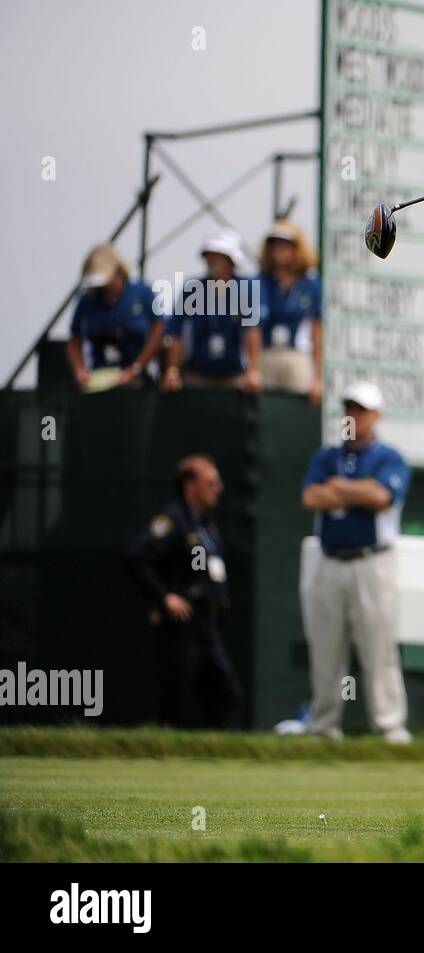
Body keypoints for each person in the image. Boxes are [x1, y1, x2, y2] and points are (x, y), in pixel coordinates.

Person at [299, 381, 412, 743]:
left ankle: (389, 726)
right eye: (349, 408)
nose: (353, 416)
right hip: (330, 561)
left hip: (373, 563)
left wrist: (341, 488)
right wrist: (356, 489)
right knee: (326, 650)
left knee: (378, 648)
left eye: (361, 410)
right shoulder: (325, 457)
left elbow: (381, 496)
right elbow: (311, 498)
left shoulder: (389, 458)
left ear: (376, 416)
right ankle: (323, 726)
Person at [126, 455, 243, 728]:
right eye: (211, 483)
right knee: (176, 697)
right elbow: (136, 557)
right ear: (190, 486)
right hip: (181, 626)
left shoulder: (205, 525)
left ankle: (225, 754)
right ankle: (163, 753)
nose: (219, 488)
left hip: (208, 625)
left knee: (227, 693)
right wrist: (164, 596)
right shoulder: (172, 521)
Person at [161, 229, 263, 393]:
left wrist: (253, 371)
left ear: (232, 260)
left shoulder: (245, 289)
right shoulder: (192, 289)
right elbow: (176, 332)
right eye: (209, 254)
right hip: (196, 374)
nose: (213, 260)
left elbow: (252, 331)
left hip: (234, 376)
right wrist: (172, 370)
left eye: (220, 255)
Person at [66, 244, 165, 391]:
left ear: (117, 272)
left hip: (139, 382)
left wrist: (136, 369)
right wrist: (80, 369)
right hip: (99, 379)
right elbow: (74, 338)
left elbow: (158, 331)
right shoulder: (87, 299)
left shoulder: (143, 293)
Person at [257, 220, 323, 403]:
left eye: (285, 244)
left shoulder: (311, 284)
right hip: (267, 354)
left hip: (298, 356)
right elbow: (252, 328)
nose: (279, 249)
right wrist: (252, 369)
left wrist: (318, 377)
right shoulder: (261, 281)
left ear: (297, 249)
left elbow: (317, 332)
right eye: (274, 244)